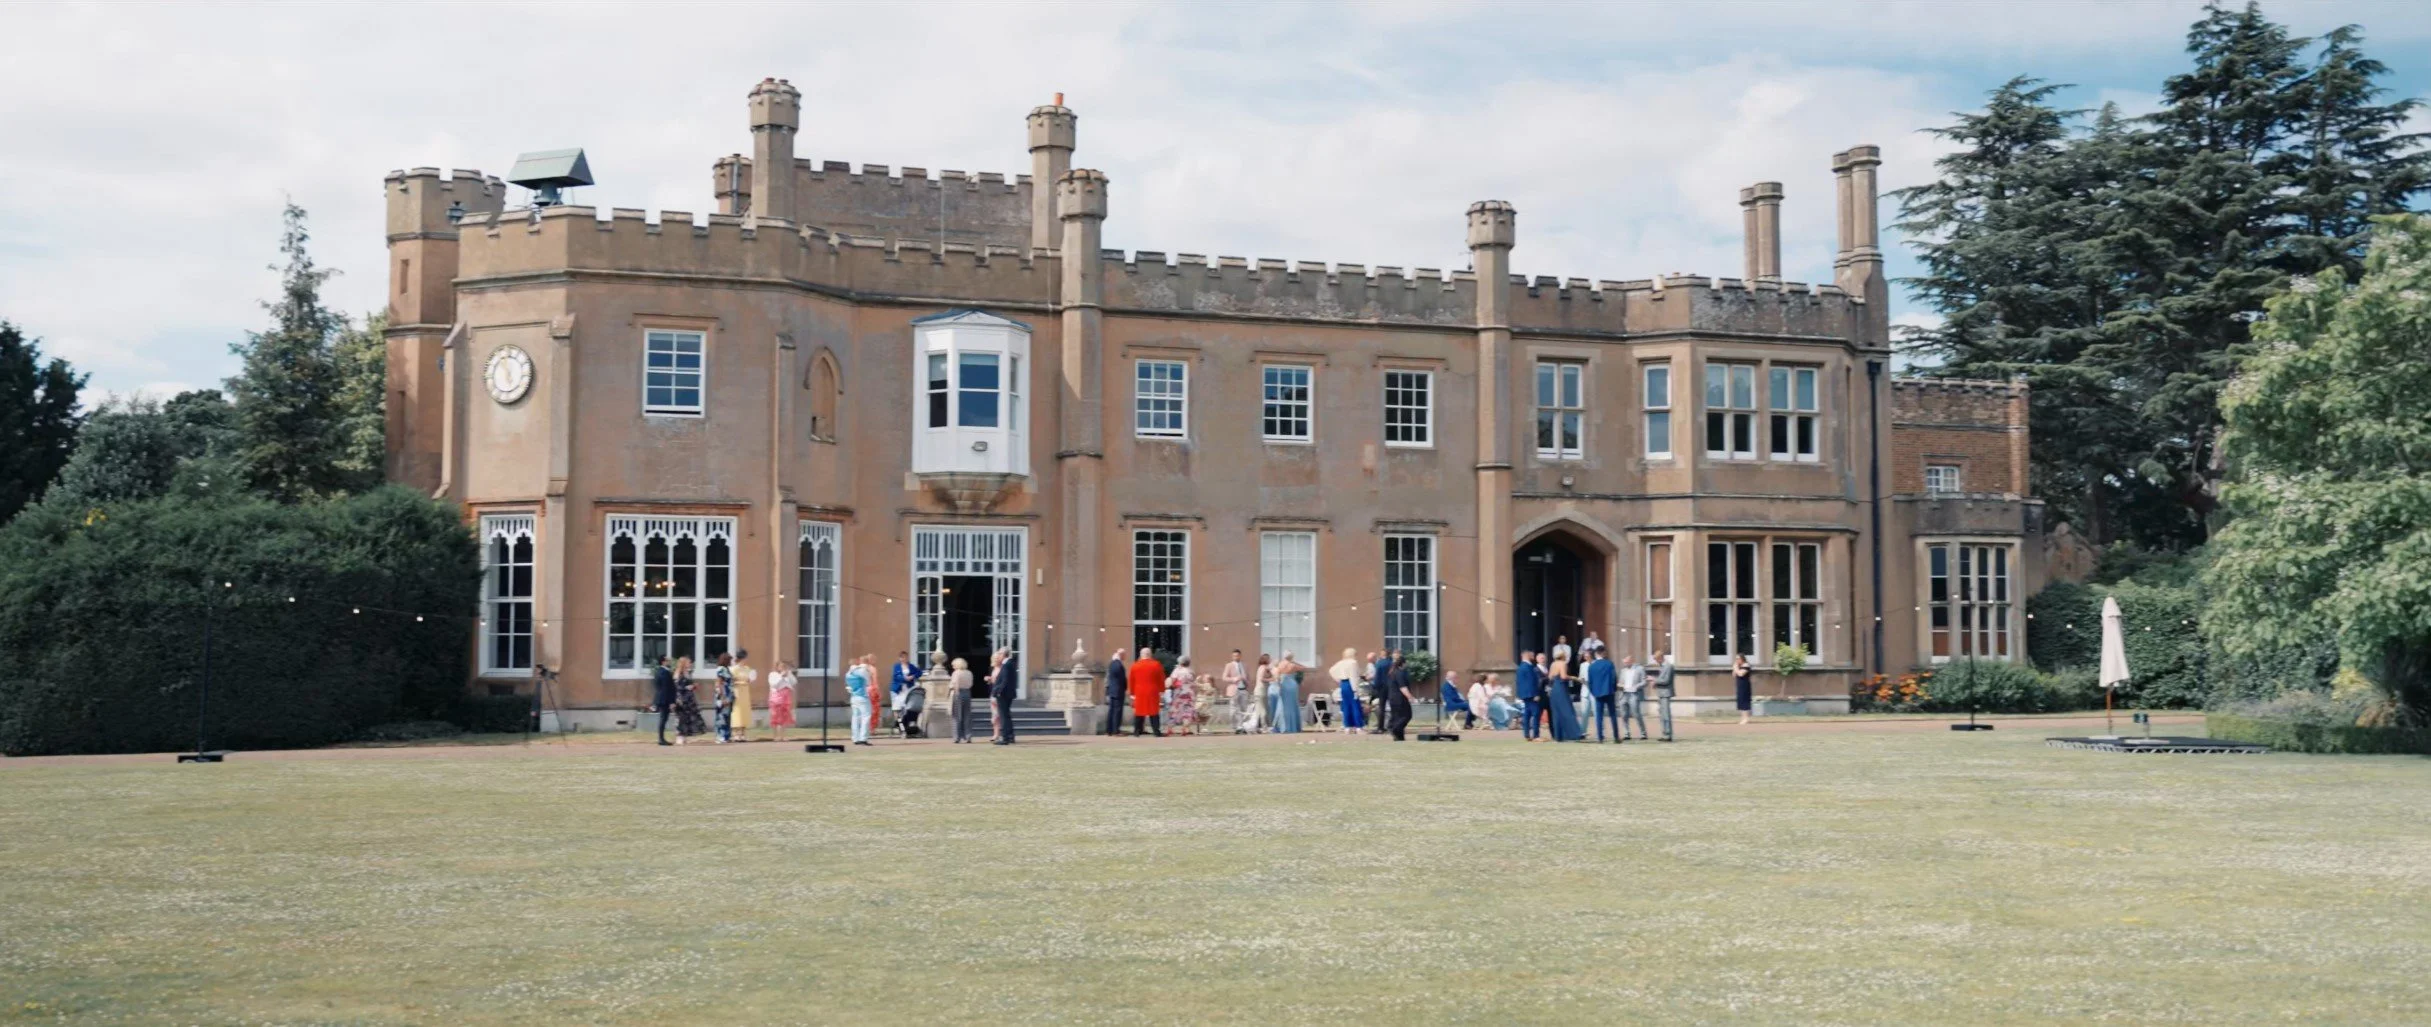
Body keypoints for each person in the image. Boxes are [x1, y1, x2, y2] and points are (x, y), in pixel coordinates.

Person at [1545, 650, 1585, 742]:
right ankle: (1575, 733)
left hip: (1554, 688)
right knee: (1567, 710)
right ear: (1562, 656)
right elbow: (1563, 676)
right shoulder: (1563, 664)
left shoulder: (1553, 664)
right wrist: (1574, 678)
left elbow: (1550, 677)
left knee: (1557, 712)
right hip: (1561, 688)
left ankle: (1558, 735)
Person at [1586, 647, 1620, 742]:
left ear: (1596, 654)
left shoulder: (1592, 666)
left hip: (1598, 693)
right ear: (1603, 653)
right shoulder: (1609, 664)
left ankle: (1600, 737)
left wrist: (1593, 692)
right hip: (1609, 691)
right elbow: (1614, 678)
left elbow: (1590, 682)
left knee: (1599, 716)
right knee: (1612, 714)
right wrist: (1614, 689)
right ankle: (1616, 736)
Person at [1128, 649, 1165, 736]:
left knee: (1139, 712)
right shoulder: (1156, 664)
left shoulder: (1135, 665)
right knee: (1154, 712)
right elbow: (1161, 678)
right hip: (1153, 691)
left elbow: (1131, 680)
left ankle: (1137, 731)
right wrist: (1162, 690)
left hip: (1139, 691)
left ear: (1141, 655)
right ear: (1150, 654)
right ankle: (1156, 731)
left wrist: (1132, 693)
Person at [671, 656, 706, 743]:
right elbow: (677, 686)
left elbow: (689, 684)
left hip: (689, 698)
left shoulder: (688, 673)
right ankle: (679, 736)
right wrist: (687, 687)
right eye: (688, 662)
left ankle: (684, 735)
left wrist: (694, 686)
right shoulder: (678, 673)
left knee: (688, 717)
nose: (690, 664)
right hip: (682, 698)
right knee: (681, 717)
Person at [1329, 648, 1364, 735]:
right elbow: (1353, 676)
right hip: (1350, 684)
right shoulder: (1353, 663)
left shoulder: (1341, 662)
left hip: (1343, 683)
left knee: (1346, 705)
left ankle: (1347, 727)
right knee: (1355, 705)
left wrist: (1338, 679)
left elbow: (1331, 670)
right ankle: (1358, 727)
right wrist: (1355, 689)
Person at [990, 648, 1019, 745]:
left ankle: (1005, 738)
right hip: (1008, 693)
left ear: (1003, 654)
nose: (998, 655)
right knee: (1006, 715)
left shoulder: (1007, 664)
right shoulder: (1010, 663)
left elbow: (1005, 680)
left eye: (999, 653)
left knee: (1003, 716)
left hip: (1004, 694)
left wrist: (999, 691)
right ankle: (1010, 737)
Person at [1222, 650, 1254, 734]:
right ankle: (1235, 726)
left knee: (1244, 708)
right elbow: (1224, 677)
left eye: (1237, 655)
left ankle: (1241, 726)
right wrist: (1234, 679)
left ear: (1240, 656)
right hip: (1234, 689)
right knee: (1234, 709)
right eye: (1234, 656)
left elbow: (1248, 677)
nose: (1236, 657)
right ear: (1232, 656)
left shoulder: (1245, 665)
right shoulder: (1229, 665)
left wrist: (1247, 683)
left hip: (1243, 689)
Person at [1514, 650, 1543, 741]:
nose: (1533, 656)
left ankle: (1527, 734)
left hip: (1525, 694)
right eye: (1531, 655)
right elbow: (1531, 682)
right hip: (1531, 694)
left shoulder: (1521, 667)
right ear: (1527, 655)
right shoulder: (1528, 667)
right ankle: (1536, 735)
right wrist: (1535, 694)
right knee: (1536, 713)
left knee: (1527, 714)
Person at [1271, 652, 1304, 734]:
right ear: (1291, 657)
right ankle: (1293, 726)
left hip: (1284, 684)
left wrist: (1279, 684)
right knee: (1292, 704)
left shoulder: (1280, 664)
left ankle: (1282, 726)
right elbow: (1303, 668)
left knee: (1282, 705)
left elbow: (1277, 675)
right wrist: (1295, 662)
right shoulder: (1293, 665)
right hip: (1292, 685)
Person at [843, 655, 872, 746]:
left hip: (854, 696)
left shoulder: (848, 674)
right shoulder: (861, 671)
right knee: (866, 716)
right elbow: (868, 682)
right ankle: (863, 738)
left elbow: (849, 686)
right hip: (862, 696)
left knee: (855, 717)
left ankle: (855, 738)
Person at [1618, 655, 1649, 741]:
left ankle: (1643, 733)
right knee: (1624, 715)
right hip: (1624, 694)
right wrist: (1620, 685)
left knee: (1636, 714)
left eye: (1626, 662)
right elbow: (1620, 682)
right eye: (1624, 662)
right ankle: (1626, 733)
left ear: (1631, 661)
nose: (1625, 664)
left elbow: (1644, 682)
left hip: (1634, 694)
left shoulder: (1639, 669)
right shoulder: (1623, 671)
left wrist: (1636, 686)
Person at [1166, 656, 1199, 736]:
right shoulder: (1191, 671)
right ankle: (1185, 728)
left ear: (1180, 663)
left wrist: (1171, 685)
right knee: (1187, 711)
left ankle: (1170, 728)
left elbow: (1172, 681)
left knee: (1175, 709)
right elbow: (1193, 681)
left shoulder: (1177, 670)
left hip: (1179, 692)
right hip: (1189, 692)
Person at [650, 655, 678, 746]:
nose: (669, 661)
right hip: (664, 699)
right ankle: (661, 739)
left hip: (662, 698)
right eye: (667, 660)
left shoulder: (660, 671)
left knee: (664, 718)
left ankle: (661, 738)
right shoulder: (664, 672)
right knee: (663, 718)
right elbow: (667, 688)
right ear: (663, 662)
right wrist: (671, 701)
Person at [728, 649, 755, 742]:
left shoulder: (747, 669)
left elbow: (749, 679)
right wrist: (741, 682)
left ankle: (743, 733)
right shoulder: (733, 669)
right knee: (737, 711)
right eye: (745, 657)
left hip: (745, 692)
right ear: (741, 658)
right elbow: (731, 681)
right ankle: (736, 733)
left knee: (744, 711)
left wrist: (749, 680)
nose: (746, 659)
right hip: (737, 692)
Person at [769, 660, 799, 743]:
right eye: (781, 666)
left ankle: (783, 736)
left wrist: (789, 674)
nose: (783, 668)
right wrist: (781, 676)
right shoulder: (773, 674)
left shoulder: (788, 674)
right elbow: (774, 684)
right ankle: (775, 736)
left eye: (784, 666)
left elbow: (794, 682)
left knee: (785, 717)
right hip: (776, 698)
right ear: (777, 667)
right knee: (775, 716)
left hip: (786, 697)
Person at [1386, 658, 1416, 740]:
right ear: (1403, 664)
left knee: (1397, 717)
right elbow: (1403, 687)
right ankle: (1394, 729)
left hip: (1392, 698)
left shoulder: (1392, 673)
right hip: (1400, 699)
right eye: (1406, 663)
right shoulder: (1400, 673)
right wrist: (1410, 697)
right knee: (1407, 715)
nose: (1406, 665)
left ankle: (1399, 737)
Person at [948, 657, 976, 743]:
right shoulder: (969, 673)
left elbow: (955, 684)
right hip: (967, 693)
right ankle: (968, 736)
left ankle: (957, 737)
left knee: (957, 716)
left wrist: (955, 692)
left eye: (954, 665)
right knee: (967, 716)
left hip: (958, 693)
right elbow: (971, 684)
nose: (953, 667)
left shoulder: (956, 673)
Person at [1651, 650, 1677, 741]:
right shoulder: (1662, 666)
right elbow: (1661, 680)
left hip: (1666, 693)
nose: (1656, 662)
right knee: (1662, 715)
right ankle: (1664, 733)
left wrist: (1654, 680)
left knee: (1666, 715)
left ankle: (1668, 735)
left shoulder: (1668, 666)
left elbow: (1666, 680)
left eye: (1656, 660)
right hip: (1661, 693)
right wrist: (1655, 683)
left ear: (1660, 658)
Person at [1104, 648, 1130, 737]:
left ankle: (1109, 730)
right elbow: (1122, 679)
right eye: (1124, 655)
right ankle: (1116, 730)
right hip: (1118, 690)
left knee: (1112, 710)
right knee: (1117, 711)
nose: (1125, 657)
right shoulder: (1118, 665)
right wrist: (1125, 687)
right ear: (1121, 655)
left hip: (1112, 690)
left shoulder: (1112, 664)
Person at [712, 653, 737, 743]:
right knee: (721, 715)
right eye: (730, 660)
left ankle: (726, 735)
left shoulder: (727, 669)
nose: (731, 662)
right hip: (723, 695)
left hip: (729, 695)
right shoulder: (721, 669)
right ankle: (720, 736)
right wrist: (722, 697)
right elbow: (719, 683)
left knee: (727, 716)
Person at [890, 652, 920, 728]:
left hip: (908, 689)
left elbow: (919, 672)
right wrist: (904, 678)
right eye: (902, 657)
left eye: (906, 657)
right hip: (898, 690)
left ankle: (905, 724)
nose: (904, 659)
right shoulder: (897, 666)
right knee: (896, 707)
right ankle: (898, 724)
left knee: (907, 707)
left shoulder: (911, 666)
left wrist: (912, 676)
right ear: (899, 658)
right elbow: (895, 676)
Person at [1733, 653, 1754, 725]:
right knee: (1741, 701)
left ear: (1742, 658)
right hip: (1740, 685)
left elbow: (1741, 674)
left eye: (1738, 658)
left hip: (1745, 686)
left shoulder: (1746, 665)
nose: (1737, 660)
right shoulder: (1739, 666)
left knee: (1745, 701)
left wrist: (1736, 668)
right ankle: (1743, 718)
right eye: (1736, 659)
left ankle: (1746, 719)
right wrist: (1735, 668)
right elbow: (1734, 675)